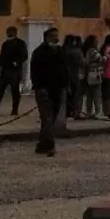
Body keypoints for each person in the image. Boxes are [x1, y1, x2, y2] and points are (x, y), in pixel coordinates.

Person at [30, 25, 67, 156]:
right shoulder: (39, 52)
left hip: (57, 90)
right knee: (48, 119)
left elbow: (64, 70)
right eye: (53, 36)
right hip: (44, 91)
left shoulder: (60, 51)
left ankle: (41, 145)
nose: (56, 38)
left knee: (50, 120)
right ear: (46, 38)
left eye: (57, 36)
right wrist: (39, 87)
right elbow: (35, 72)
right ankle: (51, 146)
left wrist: (65, 86)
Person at [0, 26, 28, 117]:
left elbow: (24, 56)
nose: (8, 33)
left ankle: (14, 110)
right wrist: (0, 65)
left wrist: (16, 63)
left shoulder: (20, 43)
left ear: (14, 32)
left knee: (15, 91)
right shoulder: (5, 44)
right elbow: (2, 56)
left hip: (15, 71)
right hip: (5, 70)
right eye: (8, 32)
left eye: (10, 32)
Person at [62, 34, 86, 121]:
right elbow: (82, 63)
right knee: (76, 94)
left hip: (65, 74)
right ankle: (74, 112)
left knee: (67, 94)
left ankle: (66, 112)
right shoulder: (76, 51)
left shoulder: (62, 50)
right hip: (75, 74)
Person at [82, 35, 104, 119]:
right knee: (96, 95)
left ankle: (89, 111)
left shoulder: (87, 51)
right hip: (95, 74)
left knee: (90, 96)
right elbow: (100, 60)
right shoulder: (93, 51)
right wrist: (104, 58)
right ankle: (98, 112)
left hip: (90, 74)